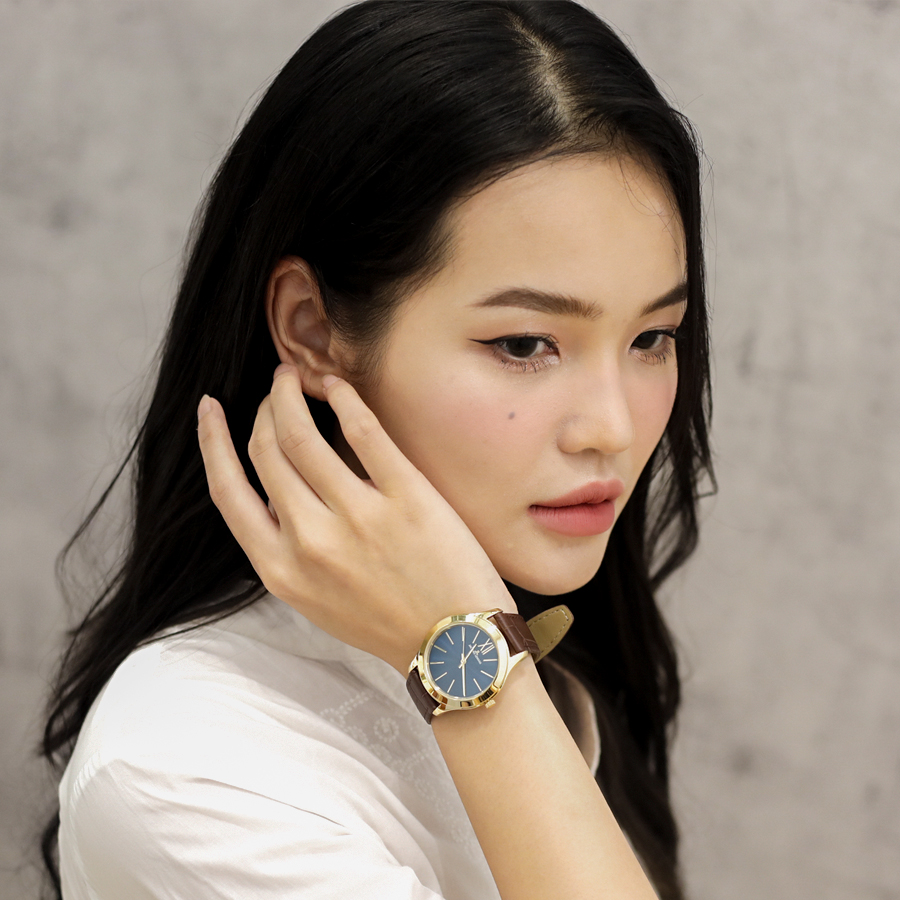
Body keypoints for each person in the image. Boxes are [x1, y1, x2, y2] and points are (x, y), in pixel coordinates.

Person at [39, 1, 714, 898]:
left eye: (652, 338)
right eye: (524, 344)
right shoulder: (187, 774)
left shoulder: (557, 647)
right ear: (311, 329)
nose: (614, 429)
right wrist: (468, 661)